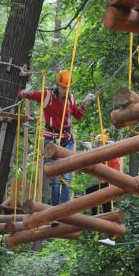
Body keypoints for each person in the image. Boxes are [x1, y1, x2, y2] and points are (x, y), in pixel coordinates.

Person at [18, 69, 95, 205]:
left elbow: (77, 115)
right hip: (51, 140)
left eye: (67, 88)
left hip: (66, 139)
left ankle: (64, 210)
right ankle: (55, 209)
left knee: (67, 177)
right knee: (55, 179)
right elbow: (23, 95)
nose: (65, 90)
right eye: (63, 87)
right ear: (58, 85)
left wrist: (84, 103)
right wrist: (25, 91)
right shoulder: (47, 95)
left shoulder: (70, 98)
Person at [85, 133, 121, 216]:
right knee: (102, 195)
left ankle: (96, 214)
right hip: (108, 182)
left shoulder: (109, 152)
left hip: (112, 182)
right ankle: (101, 214)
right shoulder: (106, 151)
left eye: (98, 144)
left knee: (91, 191)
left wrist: (90, 149)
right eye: (96, 144)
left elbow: (97, 160)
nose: (96, 146)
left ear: (103, 144)